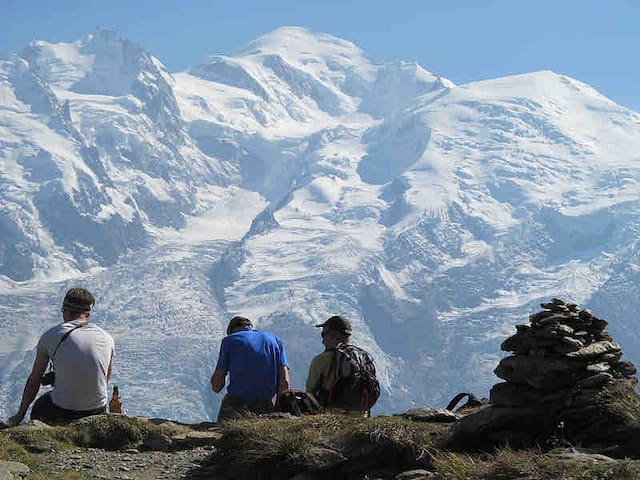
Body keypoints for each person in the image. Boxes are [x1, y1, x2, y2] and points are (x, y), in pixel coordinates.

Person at [7, 287, 115, 426]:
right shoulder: (107, 338)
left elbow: (34, 379)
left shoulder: (51, 336)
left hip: (64, 410)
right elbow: (104, 376)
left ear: (64, 310)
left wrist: (20, 414)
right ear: (88, 313)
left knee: (41, 404)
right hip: (97, 409)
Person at [210, 316, 290, 421]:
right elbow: (284, 381)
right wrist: (278, 407)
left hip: (236, 405)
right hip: (265, 406)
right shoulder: (276, 341)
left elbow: (217, 385)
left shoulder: (230, 340)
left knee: (226, 435)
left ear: (231, 331)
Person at [306, 315, 379, 417]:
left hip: (333, 416)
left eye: (323, 334)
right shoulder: (362, 357)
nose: (322, 340)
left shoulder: (320, 360)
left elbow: (310, 392)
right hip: (361, 416)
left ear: (332, 335)